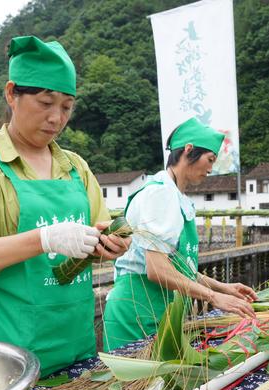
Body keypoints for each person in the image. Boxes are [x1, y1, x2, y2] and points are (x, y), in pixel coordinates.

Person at [0, 36, 130, 376]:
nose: (56, 118)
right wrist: (43, 239)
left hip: (77, 350)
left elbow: (99, 232)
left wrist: (112, 245)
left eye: (66, 106)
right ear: (11, 94)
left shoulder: (76, 167)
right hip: (4, 361)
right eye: (45, 102)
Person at [102, 118, 257, 351]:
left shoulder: (175, 196)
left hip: (157, 307)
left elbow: (179, 267)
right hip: (137, 310)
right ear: (189, 150)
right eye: (210, 160)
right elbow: (157, 271)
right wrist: (213, 298)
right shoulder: (160, 194)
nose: (210, 169)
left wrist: (223, 287)